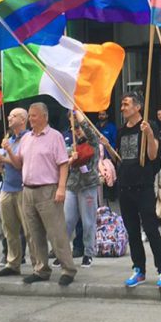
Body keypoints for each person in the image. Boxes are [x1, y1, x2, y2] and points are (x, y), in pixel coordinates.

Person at [0, 102, 78, 286]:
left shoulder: (55, 136)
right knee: (35, 234)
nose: (31, 119)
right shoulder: (26, 138)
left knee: (56, 232)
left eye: (34, 115)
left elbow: (63, 164)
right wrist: (9, 151)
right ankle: (41, 269)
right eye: (29, 115)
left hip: (47, 190)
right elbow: (19, 164)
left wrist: (61, 188)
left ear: (44, 116)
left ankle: (68, 269)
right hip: (27, 190)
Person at [116, 92, 161, 288]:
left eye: (126, 104)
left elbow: (153, 156)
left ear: (137, 107)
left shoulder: (149, 126)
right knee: (132, 231)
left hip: (143, 186)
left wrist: (148, 134)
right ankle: (139, 269)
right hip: (125, 186)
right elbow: (121, 158)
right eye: (122, 104)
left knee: (151, 229)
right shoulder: (122, 131)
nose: (122, 108)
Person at [0, 108, 28, 276]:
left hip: (22, 188)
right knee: (9, 229)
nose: (9, 118)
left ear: (23, 119)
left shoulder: (28, 139)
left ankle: (38, 265)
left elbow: (21, 163)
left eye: (13, 116)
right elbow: (6, 167)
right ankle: (13, 263)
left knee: (28, 230)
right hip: (6, 188)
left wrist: (4, 158)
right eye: (9, 115)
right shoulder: (10, 140)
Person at [64, 111, 100, 268]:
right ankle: (63, 252)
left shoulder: (93, 141)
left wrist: (76, 112)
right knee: (67, 220)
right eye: (74, 128)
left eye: (79, 127)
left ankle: (88, 253)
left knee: (88, 221)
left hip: (88, 185)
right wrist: (70, 159)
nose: (77, 130)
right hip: (72, 186)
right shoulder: (72, 145)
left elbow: (86, 127)